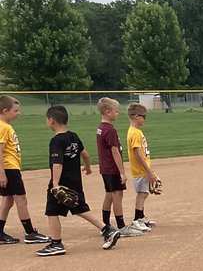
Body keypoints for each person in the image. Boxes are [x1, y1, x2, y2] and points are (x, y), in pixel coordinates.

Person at [38, 105, 121, 255]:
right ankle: (107, 229)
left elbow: (57, 163)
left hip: (61, 183)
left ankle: (56, 243)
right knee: (80, 208)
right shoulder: (73, 136)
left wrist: (55, 184)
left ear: (51, 121)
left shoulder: (56, 141)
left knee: (52, 211)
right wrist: (88, 167)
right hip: (75, 181)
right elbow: (86, 155)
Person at [0, 95, 52, 245]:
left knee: (8, 200)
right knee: (21, 199)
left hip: (10, 167)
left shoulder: (6, 126)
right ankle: (30, 232)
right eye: (16, 110)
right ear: (5, 110)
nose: (18, 113)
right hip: (9, 168)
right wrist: (2, 173)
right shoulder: (3, 127)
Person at [95, 97, 141, 238]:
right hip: (112, 167)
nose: (118, 113)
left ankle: (105, 224)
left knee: (109, 194)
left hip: (104, 167)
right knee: (117, 195)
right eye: (116, 111)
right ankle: (121, 226)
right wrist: (122, 172)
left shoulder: (100, 128)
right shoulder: (110, 130)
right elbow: (115, 151)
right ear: (108, 112)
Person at [126, 104, 159, 232]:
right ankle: (136, 219)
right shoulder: (134, 133)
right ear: (135, 116)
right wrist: (148, 171)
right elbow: (138, 154)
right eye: (143, 116)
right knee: (142, 193)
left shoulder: (136, 132)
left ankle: (141, 216)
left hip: (142, 169)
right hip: (140, 170)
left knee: (144, 193)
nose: (145, 119)